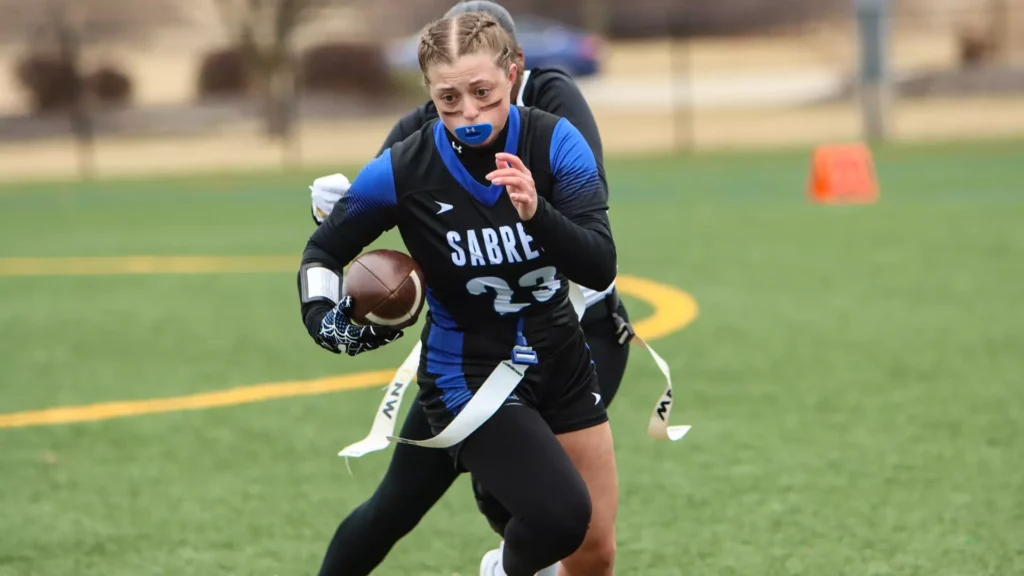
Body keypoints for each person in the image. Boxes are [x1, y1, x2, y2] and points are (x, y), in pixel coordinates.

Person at [307, 3, 634, 575]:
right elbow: (330, 244)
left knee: (594, 551)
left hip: (564, 349)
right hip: (472, 365)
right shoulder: (409, 156)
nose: (468, 111)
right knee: (553, 515)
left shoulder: (555, 133)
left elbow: (598, 264)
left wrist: (536, 213)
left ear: (512, 71)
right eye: (448, 98)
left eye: (482, 91)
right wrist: (323, 315)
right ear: (428, 89)